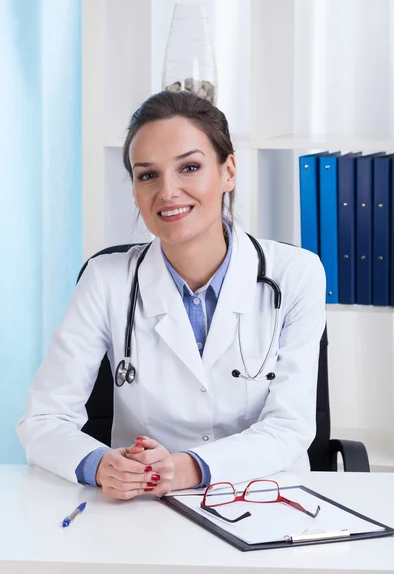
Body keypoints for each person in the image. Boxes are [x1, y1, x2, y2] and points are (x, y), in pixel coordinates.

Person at [17, 91, 326, 501]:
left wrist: (186, 468)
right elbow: (44, 419)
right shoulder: (106, 279)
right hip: (143, 506)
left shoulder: (296, 274)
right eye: (148, 175)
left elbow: (290, 426)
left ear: (228, 171)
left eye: (190, 167)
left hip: (265, 498)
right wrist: (99, 464)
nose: (167, 191)